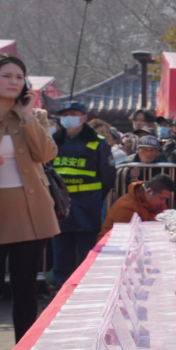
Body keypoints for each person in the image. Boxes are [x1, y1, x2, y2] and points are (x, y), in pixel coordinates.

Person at [0, 54, 59, 341]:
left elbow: (46, 154)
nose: (13, 82)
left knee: (25, 288)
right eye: (6, 75)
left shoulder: (35, 114)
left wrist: (28, 115)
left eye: (19, 77)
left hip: (31, 213)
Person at [52, 100, 114, 289]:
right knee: (61, 257)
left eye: (73, 113)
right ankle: (61, 293)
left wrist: (94, 198)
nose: (68, 118)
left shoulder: (98, 143)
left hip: (87, 207)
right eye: (65, 114)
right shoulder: (53, 142)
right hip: (59, 208)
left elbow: (108, 177)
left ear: (84, 118)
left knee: (88, 255)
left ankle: (89, 291)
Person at [98, 174, 174, 238]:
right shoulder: (125, 207)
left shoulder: (157, 201)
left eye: (165, 199)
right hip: (110, 248)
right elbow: (128, 239)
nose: (163, 202)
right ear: (149, 192)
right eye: (162, 198)